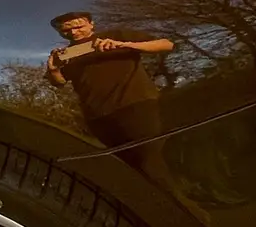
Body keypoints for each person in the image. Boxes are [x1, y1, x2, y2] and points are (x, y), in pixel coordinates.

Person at [46, 11, 174, 148]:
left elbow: (167, 45)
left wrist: (125, 45)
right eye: (66, 30)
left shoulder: (117, 35)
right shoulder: (66, 54)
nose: (73, 32)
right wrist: (53, 70)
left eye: (79, 27)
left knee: (151, 154)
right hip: (98, 118)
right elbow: (59, 82)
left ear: (91, 24)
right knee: (125, 162)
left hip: (136, 106)